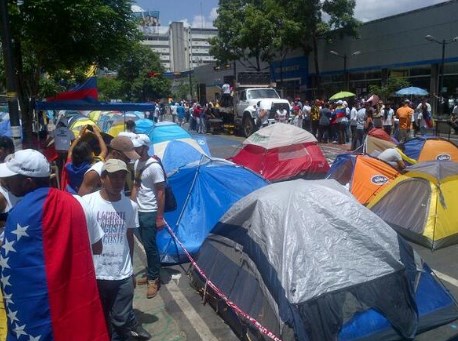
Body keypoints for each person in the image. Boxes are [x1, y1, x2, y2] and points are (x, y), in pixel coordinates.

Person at [0, 149, 109, 340]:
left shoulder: (18, 214)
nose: (6, 182)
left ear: (27, 182)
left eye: (11, 178)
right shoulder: (79, 204)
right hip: (74, 300)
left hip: (37, 312)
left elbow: (15, 266)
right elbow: (97, 247)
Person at [83, 159, 139, 340]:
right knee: (97, 318)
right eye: (114, 177)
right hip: (96, 275)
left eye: (122, 177)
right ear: (102, 178)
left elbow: (129, 237)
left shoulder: (131, 206)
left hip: (121, 275)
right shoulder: (86, 203)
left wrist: (131, 271)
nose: (118, 181)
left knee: (120, 320)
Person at [130, 134, 166, 299]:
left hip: (150, 211)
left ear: (145, 147)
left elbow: (160, 192)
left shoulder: (154, 166)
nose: (135, 149)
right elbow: (136, 186)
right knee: (145, 244)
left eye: (138, 147)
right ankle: (151, 272)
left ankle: (154, 278)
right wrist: (131, 206)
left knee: (150, 247)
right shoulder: (137, 163)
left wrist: (159, 217)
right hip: (139, 210)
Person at [64, 125, 108, 194]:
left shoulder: (68, 165)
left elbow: (70, 151)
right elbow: (104, 151)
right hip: (85, 196)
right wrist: (98, 135)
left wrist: (79, 136)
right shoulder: (93, 165)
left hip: (71, 194)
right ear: (89, 153)